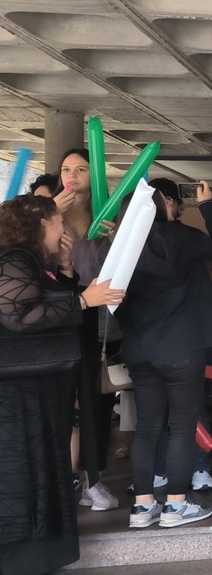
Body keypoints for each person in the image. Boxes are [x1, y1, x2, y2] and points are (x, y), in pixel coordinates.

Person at [0, 195, 123, 575]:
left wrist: (68, 270)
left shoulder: (36, 262)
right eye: (58, 222)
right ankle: (20, 568)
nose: (64, 229)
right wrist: (85, 299)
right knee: (24, 473)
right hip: (18, 394)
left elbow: (51, 303)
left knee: (42, 471)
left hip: (40, 389)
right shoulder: (14, 259)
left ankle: (35, 561)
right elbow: (18, 316)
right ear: (39, 226)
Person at [117, 180, 212, 529]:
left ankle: (142, 506)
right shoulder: (178, 236)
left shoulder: (121, 247)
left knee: (148, 427)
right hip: (182, 346)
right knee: (182, 426)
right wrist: (208, 204)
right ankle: (177, 506)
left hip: (140, 349)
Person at [53, 149, 117, 512]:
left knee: (97, 401)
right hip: (59, 320)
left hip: (102, 321)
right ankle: (68, 482)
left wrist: (117, 235)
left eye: (81, 169)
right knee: (65, 406)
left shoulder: (104, 218)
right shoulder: (48, 220)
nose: (72, 176)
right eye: (66, 169)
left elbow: (125, 266)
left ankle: (95, 477)